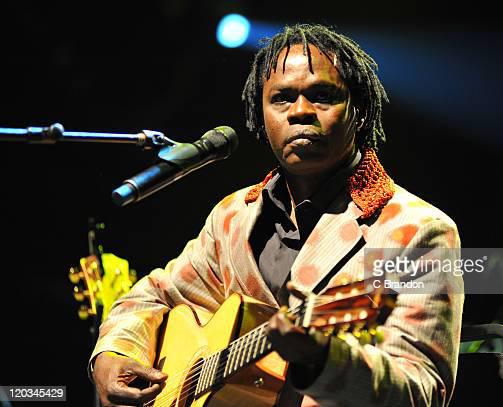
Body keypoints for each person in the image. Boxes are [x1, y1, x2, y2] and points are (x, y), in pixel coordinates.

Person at [91, 24, 463, 407]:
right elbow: (152, 297)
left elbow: (421, 391)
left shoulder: (416, 231)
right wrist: (114, 354)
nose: (301, 112)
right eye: (282, 98)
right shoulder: (233, 218)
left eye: (322, 96)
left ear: (361, 111)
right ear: (261, 114)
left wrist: (324, 361)